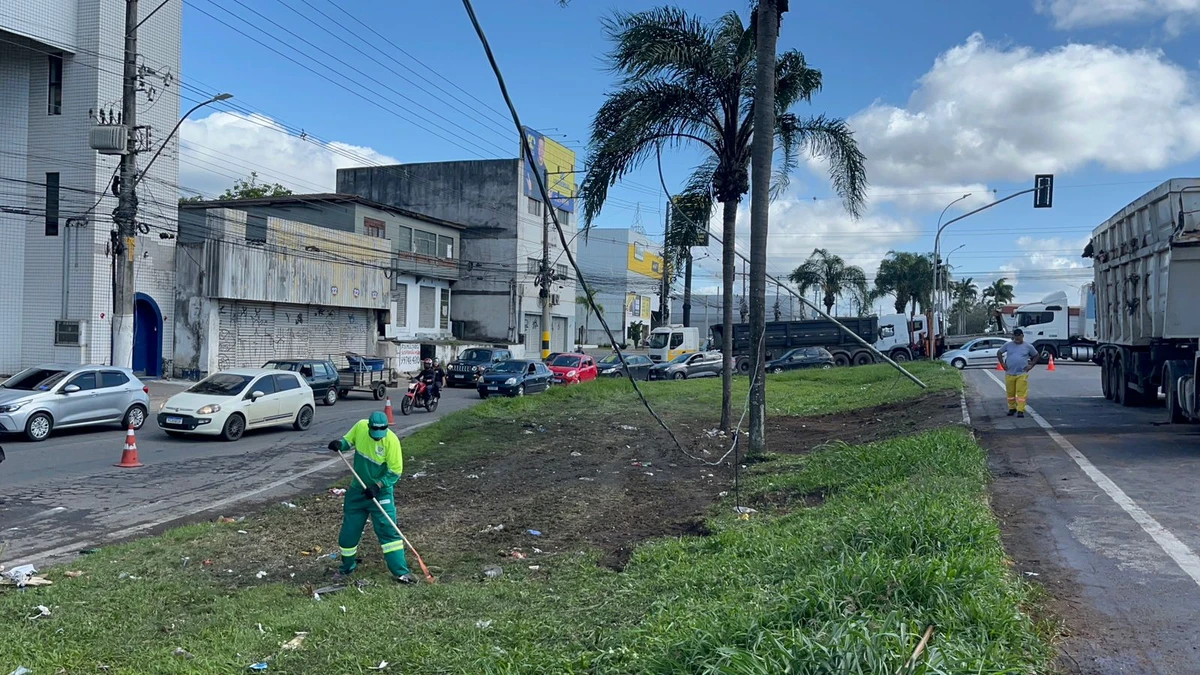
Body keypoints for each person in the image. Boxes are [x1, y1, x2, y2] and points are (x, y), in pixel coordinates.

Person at [327, 411, 415, 584]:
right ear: (369, 427)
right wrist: (339, 444)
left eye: (381, 433)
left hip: (380, 493)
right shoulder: (360, 427)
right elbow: (348, 441)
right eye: (374, 433)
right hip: (357, 492)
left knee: (388, 531)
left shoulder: (391, 441)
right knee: (348, 534)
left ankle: (401, 572)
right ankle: (347, 568)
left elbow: (395, 471)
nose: (378, 437)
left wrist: (378, 486)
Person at [997, 328, 1040, 418]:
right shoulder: (1008, 345)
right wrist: (1002, 364)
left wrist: (1031, 365)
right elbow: (999, 352)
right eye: (1015, 336)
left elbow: (1036, 355)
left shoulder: (1028, 346)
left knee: (1021, 393)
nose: (1017, 338)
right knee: (1010, 393)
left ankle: (1020, 410)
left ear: (1022, 336)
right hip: (1010, 373)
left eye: (1019, 336)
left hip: (1021, 373)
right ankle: (1012, 408)